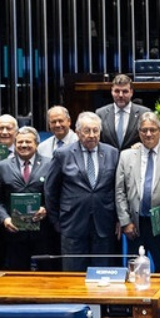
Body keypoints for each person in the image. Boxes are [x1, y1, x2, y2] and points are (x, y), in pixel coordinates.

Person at [44, 112, 120, 272]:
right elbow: (51, 190)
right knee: (74, 276)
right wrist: (56, 221)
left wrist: (118, 219)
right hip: (72, 224)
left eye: (95, 130)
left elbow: (117, 189)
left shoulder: (112, 153)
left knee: (103, 276)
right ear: (78, 132)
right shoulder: (62, 154)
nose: (91, 135)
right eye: (87, 131)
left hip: (104, 225)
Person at [115, 112, 160, 273]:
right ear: (139, 132)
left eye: (153, 130)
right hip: (135, 224)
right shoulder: (126, 155)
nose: (149, 134)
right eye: (144, 130)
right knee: (134, 270)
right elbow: (119, 190)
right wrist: (125, 221)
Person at [0, 126, 58, 271]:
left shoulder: (51, 164)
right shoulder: (3, 166)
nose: (23, 145)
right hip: (14, 233)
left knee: (46, 276)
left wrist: (46, 209)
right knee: (17, 275)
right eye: (20, 142)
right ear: (14, 145)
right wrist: (4, 219)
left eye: (28, 142)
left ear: (36, 144)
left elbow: (57, 194)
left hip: (44, 232)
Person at [97, 74, 152, 150]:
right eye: (117, 91)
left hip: (133, 159)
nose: (120, 95)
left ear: (131, 92)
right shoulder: (101, 114)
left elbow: (150, 138)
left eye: (125, 91)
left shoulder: (143, 113)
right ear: (111, 91)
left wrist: (142, 145)